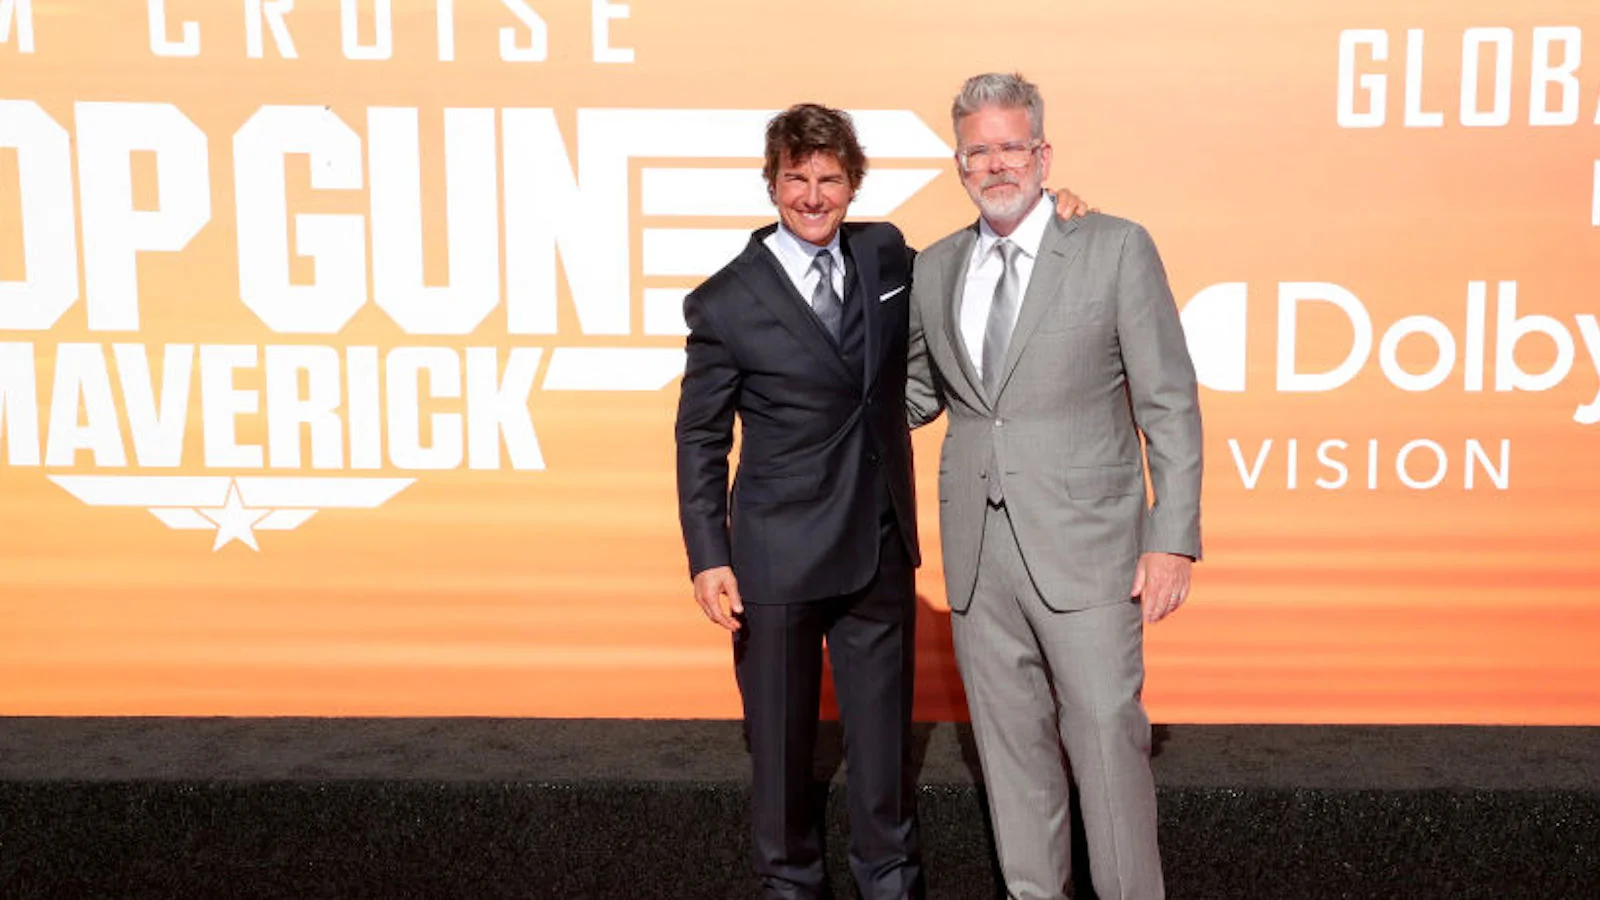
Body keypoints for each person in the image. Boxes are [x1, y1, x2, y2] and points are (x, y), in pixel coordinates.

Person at [675, 102, 1087, 900]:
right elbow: (700, 440)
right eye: (796, 179)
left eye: (830, 179)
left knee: (884, 757)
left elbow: (976, 266)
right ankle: (790, 887)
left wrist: (1048, 214)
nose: (813, 197)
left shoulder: (885, 253)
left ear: (854, 184)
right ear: (771, 184)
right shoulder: (723, 301)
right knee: (781, 757)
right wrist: (708, 556)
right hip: (775, 559)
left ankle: (890, 887)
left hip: (877, 546)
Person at [906, 73, 1203, 900]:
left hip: (1091, 550)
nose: (996, 163)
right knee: (1011, 760)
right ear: (958, 162)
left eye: (1012, 146)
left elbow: (1169, 402)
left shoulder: (1114, 247)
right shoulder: (935, 267)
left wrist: (1172, 538)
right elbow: (916, 394)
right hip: (978, 557)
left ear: (1042, 152)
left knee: (1108, 745)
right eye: (979, 150)